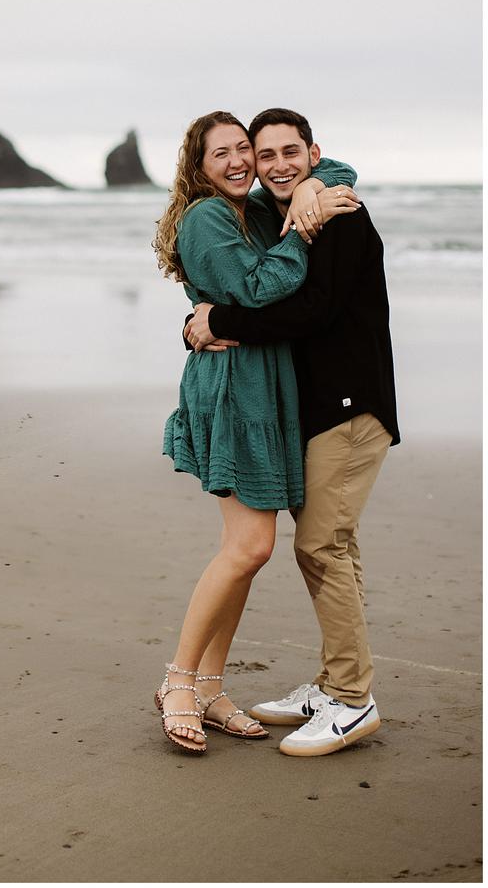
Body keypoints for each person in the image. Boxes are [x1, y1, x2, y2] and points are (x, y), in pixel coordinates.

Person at [184, 107, 397, 756]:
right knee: (332, 544)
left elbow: (308, 311)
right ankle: (337, 682)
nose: (272, 163)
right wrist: (205, 320)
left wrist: (219, 318)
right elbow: (239, 280)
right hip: (313, 410)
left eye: (287, 153)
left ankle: (353, 700)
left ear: (313, 152)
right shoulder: (280, 213)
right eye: (263, 152)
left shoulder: (335, 214)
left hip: (350, 407)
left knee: (321, 546)